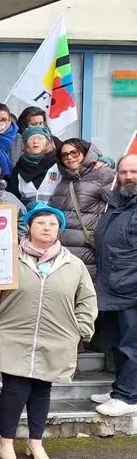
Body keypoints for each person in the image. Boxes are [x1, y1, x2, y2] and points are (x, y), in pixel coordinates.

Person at [0, 203, 97, 459]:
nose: (46, 228)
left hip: (56, 335)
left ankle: (35, 441)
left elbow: (87, 299)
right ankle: (6, 439)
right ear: (29, 227)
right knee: (14, 388)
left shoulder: (74, 264)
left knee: (42, 388)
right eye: (40, 223)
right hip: (14, 332)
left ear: (59, 229)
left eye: (52, 224)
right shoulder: (10, 257)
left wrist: (80, 328)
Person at [92, 154, 137, 417]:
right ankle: (120, 389)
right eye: (123, 172)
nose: (128, 177)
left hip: (132, 288)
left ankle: (128, 397)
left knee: (132, 345)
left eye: (133, 172)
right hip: (113, 287)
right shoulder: (117, 203)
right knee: (119, 342)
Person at [49, 138, 114, 280]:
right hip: (61, 251)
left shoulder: (102, 174)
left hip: (87, 250)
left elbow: (120, 203)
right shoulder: (64, 179)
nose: (69, 157)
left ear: (85, 153)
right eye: (64, 155)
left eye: (74, 152)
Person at [13, 124, 58, 205]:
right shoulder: (19, 168)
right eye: (31, 138)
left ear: (47, 142)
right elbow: (14, 199)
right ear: (25, 143)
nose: (35, 141)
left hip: (55, 216)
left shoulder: (57, 165)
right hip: (28, 216)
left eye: (40, 138)